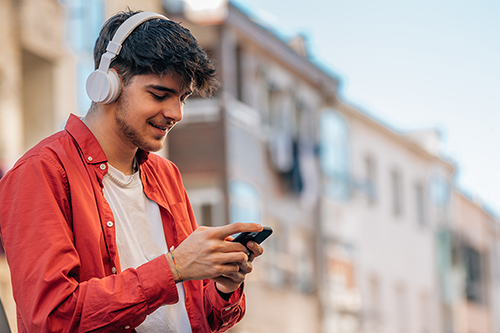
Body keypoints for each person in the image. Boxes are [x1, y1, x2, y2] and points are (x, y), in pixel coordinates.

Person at [0, 9, 264, 333]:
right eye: (159, 94)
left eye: (182, 98)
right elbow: (53, 319)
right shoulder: (41, 172)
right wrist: (174, 268)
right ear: (107, 83)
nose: (176, 113)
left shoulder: (167, 176)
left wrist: (224, 287)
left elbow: (190, 316)